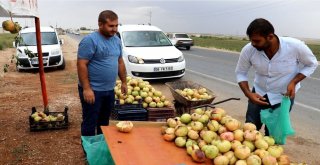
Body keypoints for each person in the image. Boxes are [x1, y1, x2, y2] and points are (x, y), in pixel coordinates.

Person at [235, 18, 318, 135]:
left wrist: (294, 82)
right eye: (251, 41)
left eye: (257, 41)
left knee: (274, 134)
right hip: (258, 95)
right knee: (250, 131)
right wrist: (249, 94)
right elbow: (240, 72)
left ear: (270, 37)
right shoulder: (249, 50)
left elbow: (311, 64)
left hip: (283, 97)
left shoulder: (295, 46)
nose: (253, 44)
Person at [77, 10, 127, 136]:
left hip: (109, 89)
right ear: (100, 24)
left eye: (116, 25)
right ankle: (89, 153)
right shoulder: (90, 40)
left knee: (104, 123)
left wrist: (124, 82)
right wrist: (87, 89)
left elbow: (120, 62)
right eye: (111, 26)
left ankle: (100, 147)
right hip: (93, 90)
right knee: (90, 122)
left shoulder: (116, 40)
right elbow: (81, 64)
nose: (114, 29)